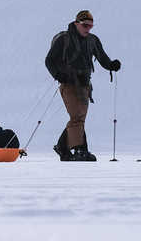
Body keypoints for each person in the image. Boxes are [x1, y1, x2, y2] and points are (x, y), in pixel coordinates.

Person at [44, 10, 121, 161]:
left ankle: (62, 147)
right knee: (77, 117)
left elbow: (102, 58)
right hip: (68, 83)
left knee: (78, 119)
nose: (88, 29)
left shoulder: (92, 40)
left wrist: (112, 65)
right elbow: (49, 60)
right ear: (76, 23)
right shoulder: (64, 39)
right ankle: (80, 150)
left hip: (84, 85)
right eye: (85, 25)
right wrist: (58, 75)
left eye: (91, 26)